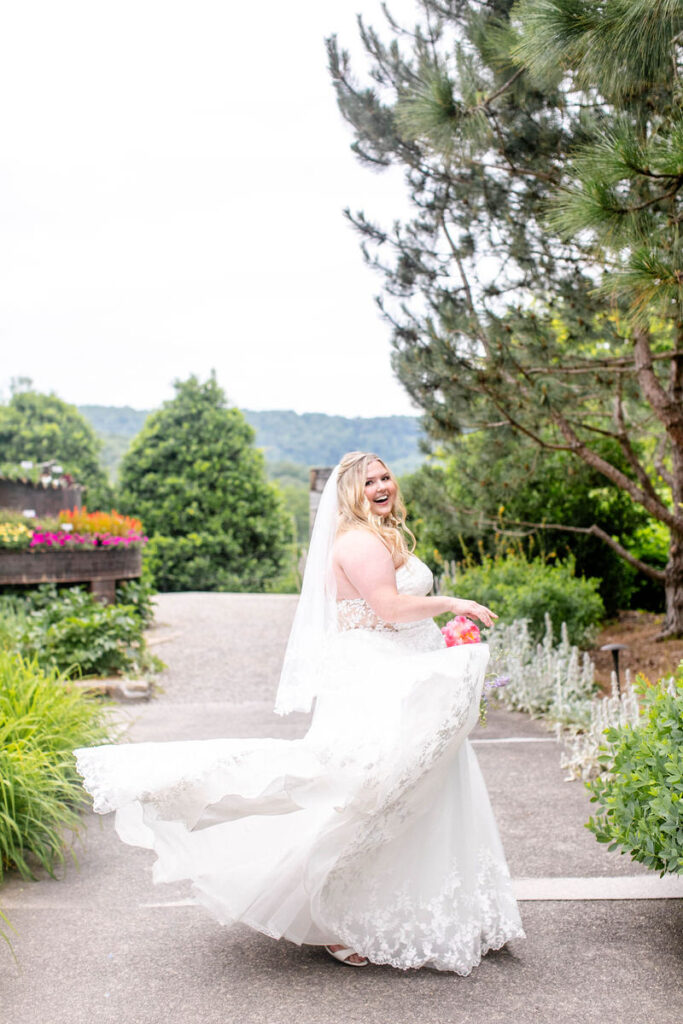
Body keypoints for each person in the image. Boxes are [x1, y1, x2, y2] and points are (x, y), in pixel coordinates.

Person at [75, 451, 524, 973]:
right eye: (369, 481)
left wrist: (438, 643)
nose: (381, 486)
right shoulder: (358, 541)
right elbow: (389, 609)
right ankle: (336, 918)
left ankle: (452, 911)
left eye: (385, 477)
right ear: (350, 492)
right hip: (376, 677)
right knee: (364, 791)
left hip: (403, 668)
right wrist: (451, 605)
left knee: (423, 787)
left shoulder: (383, 534)